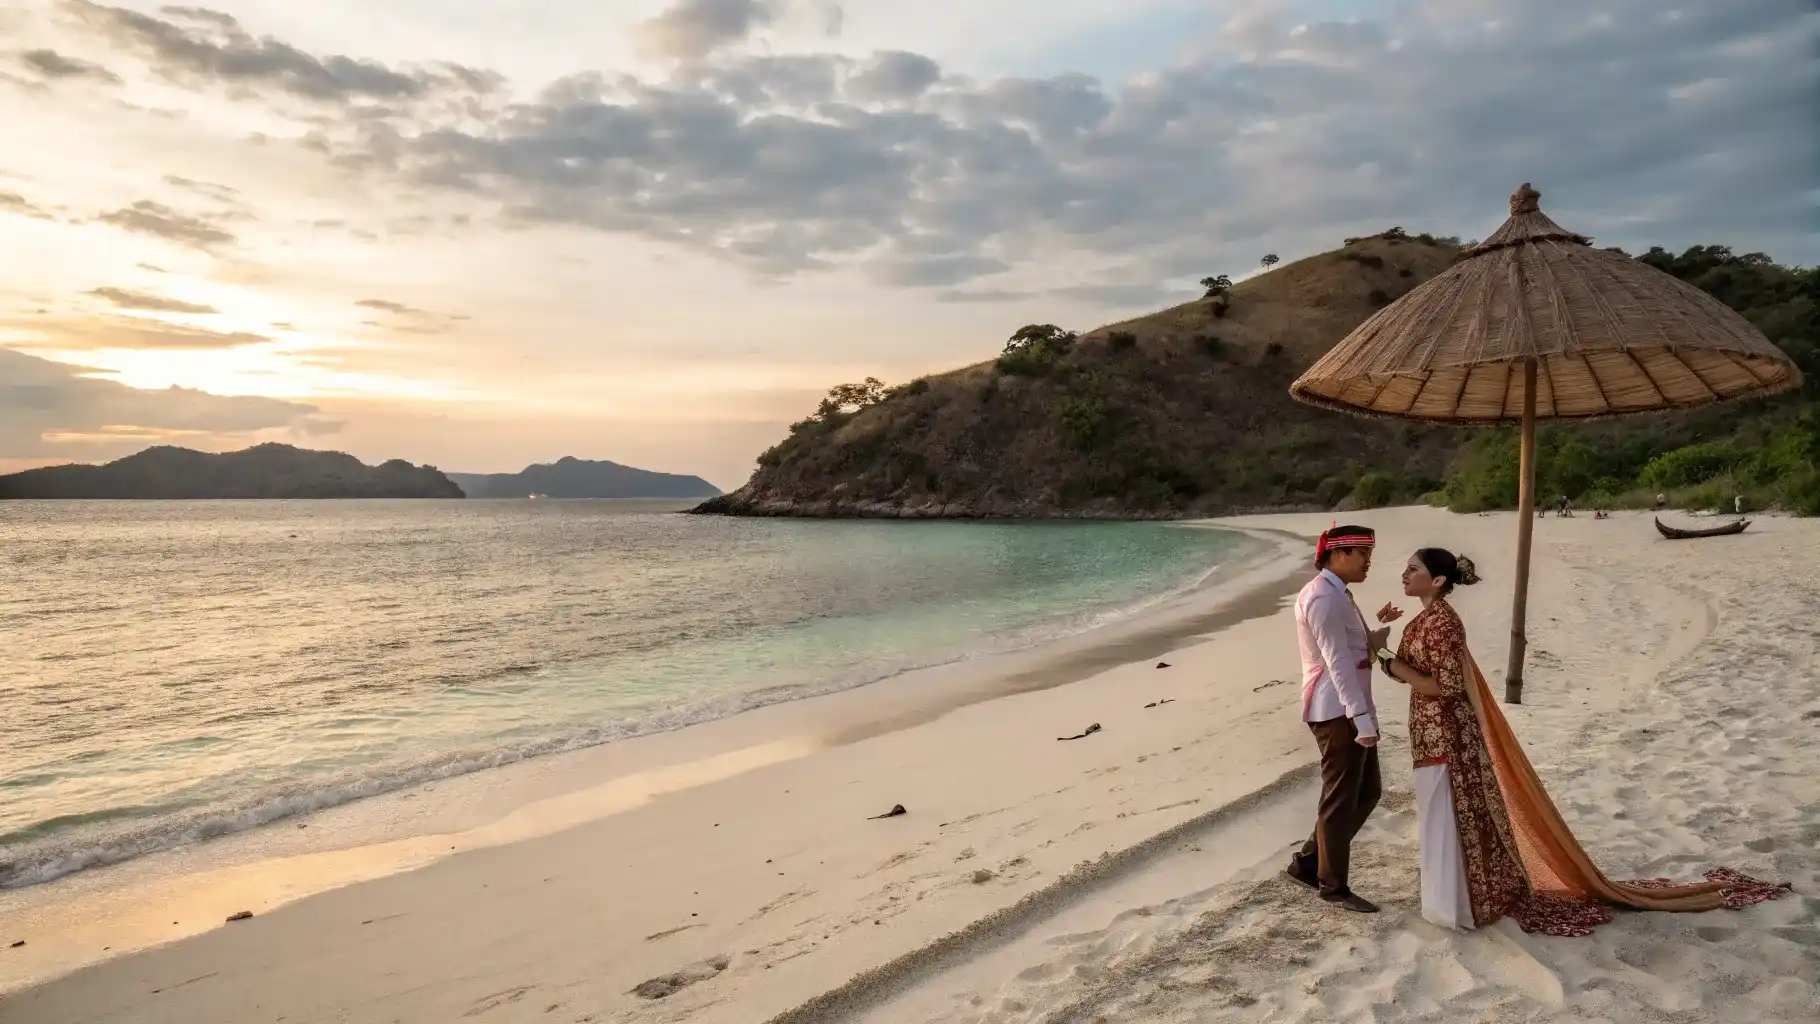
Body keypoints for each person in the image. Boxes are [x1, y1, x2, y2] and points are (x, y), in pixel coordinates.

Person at [1375, 548, 1788, 934]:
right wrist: (1387, 653)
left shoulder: (1443, 622)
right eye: (1406, 569)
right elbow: (1419, 675)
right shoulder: (1427, 619)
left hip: (1448, 733)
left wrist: (1387, 660)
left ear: (1439, 579)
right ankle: (1452, 902)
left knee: (1450, 814)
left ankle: (1459, 905)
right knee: (1440, 814)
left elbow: (1443, 687)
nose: (1405, 574)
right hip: (1432, 731)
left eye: (1414, 569)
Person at [1286, 525, 1401, 913]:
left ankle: (1306, 864)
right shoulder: (1323, 598)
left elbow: (1354, 648)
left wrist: (1378, 631)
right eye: (1362, 553)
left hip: (1349, 706)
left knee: (1367, 792)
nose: (1369, 561)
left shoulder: (1339, 594)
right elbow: (1336, 663)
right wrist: (1360, 720)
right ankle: (1332, 885)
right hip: (1337, 710)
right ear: (1338, 554)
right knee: (1339, 800)